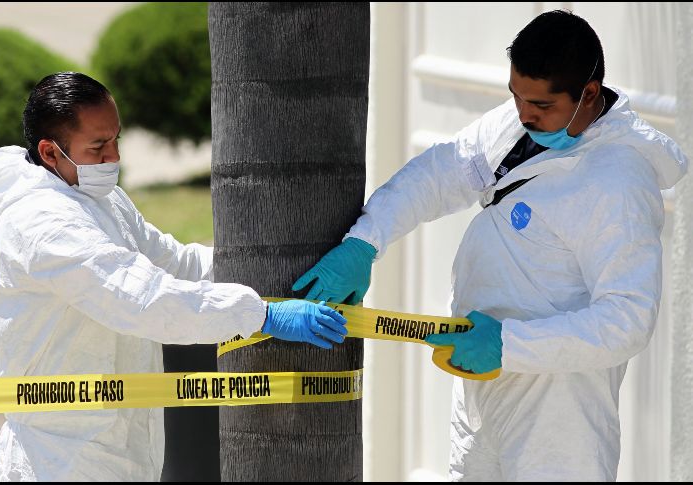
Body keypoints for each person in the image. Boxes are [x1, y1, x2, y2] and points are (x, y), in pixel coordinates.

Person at [292, 10, 688, 482]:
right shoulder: (519, 125)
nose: (525, 114)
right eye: (516, 96)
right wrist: (365, 241)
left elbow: (627, 321)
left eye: (540, 104)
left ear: (588, 94)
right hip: (484, 381)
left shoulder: (619, 182)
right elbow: (442, 173)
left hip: (559, 408)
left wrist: (508, 344)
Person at [0, 72, 348, 482]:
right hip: (56, 460)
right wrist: (259, 315)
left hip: (118, 447)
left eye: (116, 139)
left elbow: (174, 262)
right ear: (51, 153)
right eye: (98, 146)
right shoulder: (42, 225)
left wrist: (267, 271)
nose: (114, 157)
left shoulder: (100, 198)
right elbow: (143, 299)